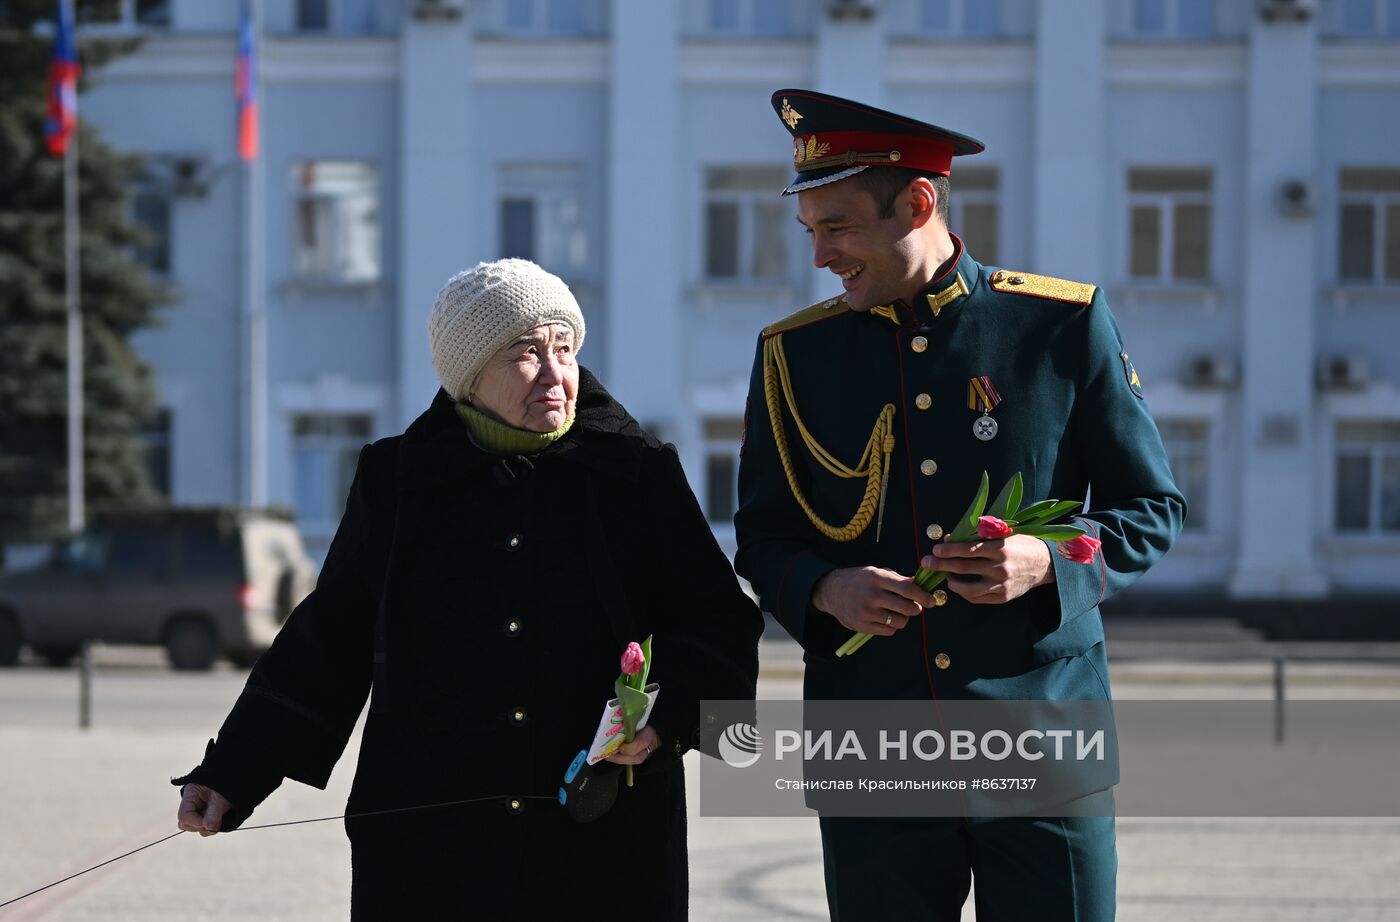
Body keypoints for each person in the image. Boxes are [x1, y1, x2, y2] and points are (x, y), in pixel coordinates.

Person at [175, 258, 763, 920]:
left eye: (564, 349)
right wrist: (233, 772)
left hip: (603, 845)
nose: (554, 372)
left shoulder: (636, 475)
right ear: (469, 376)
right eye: (525, 353)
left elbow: (718, 623)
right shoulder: (398, 480)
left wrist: (660, 724)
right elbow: (329, 639)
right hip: (432, 854)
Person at [734, 89, 1186, 921]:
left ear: (918, 201)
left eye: (837, 228)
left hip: (1042, 741)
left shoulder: (1059, 325)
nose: (821, 256)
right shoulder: (793, 356)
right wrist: (825, 590)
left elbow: (1150, 505)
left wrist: (1048, 560)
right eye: (811, 232)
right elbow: (763, 536)